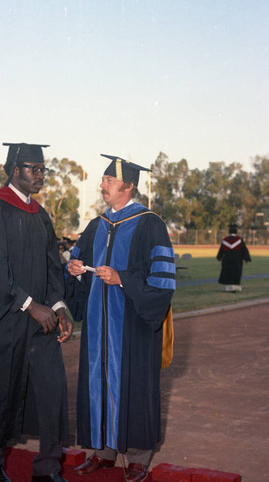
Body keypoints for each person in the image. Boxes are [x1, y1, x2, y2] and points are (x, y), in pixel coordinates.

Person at [0, 142, 73, 482]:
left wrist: (58, 306)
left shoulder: (40, 214)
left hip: (42, 324)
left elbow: (54, 266)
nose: (40, 175)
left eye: (43, 169)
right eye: (34, 168)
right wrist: (28, 304)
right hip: (4, 323)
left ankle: (48, 469)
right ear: (14, 169)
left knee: (52, 393)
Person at [66, 155, 176, 482]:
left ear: (128, 186)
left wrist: (122, 279)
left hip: (133, 325)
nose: (102, 185)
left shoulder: (149, 223)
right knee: (98, 381)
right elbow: (78, 258)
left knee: (136, 386)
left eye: (108, 181)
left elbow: (163, 281)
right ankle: (103, 452)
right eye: (102, 180)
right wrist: (73, 269)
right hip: (100, 327)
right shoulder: (97, 225)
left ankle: (140, 457)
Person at [216, 224, 251, 292]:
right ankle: (235, 288)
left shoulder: (225, 240)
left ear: (229, 232)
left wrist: (219, 257)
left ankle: (227, 288)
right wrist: (246, 258)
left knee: (227, 273)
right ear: (236, 232)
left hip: (227, 260)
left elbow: (221, 250)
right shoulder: (239, 240)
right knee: (236, 273)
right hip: (237, 260)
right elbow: (244, 249)